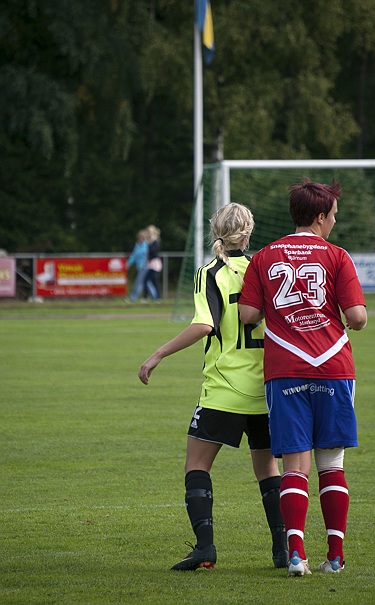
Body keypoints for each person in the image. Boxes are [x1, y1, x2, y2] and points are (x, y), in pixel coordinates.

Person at [138, 203, 288, 571]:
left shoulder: (211, 271)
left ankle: (205, 547)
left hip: (224, 386)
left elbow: (205, 325)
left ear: (215, 230)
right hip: (266, 388)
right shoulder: (264, 268)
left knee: (197, 465)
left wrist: (157, 354)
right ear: (249, 230)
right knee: (268, 470)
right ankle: (283, 551)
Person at [239, 178, 367, 577]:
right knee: (332, 462)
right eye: (332, 217)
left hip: (285, 370)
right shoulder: (337, 256)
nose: (333, 223)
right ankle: (335, 556)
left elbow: (247, 316)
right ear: (318, 217)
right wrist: (347, 318)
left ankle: (296, 554)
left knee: (295, 464)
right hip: (333, 367)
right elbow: (358, 317)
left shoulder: (264, 257)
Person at [125, 229, 149, 302]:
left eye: (142, 237)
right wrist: (128, 263)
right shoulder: (137, 245)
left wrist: (146, 263)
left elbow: (148, 256)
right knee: (147, 283)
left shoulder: (146, 246)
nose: (140, 239)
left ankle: (133, 298)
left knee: (138, 282)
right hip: (139, 266)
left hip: (144, 266)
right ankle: (156, 298)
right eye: (139, 237)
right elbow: (134, 256)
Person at [143, 225, 162, 301]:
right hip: (150, 264)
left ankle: (157, 297)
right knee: (146, 280)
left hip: (154, 264)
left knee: (154, 280)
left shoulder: (155, 242)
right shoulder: (149, 242)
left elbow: (154, 252)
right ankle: (146, 297)